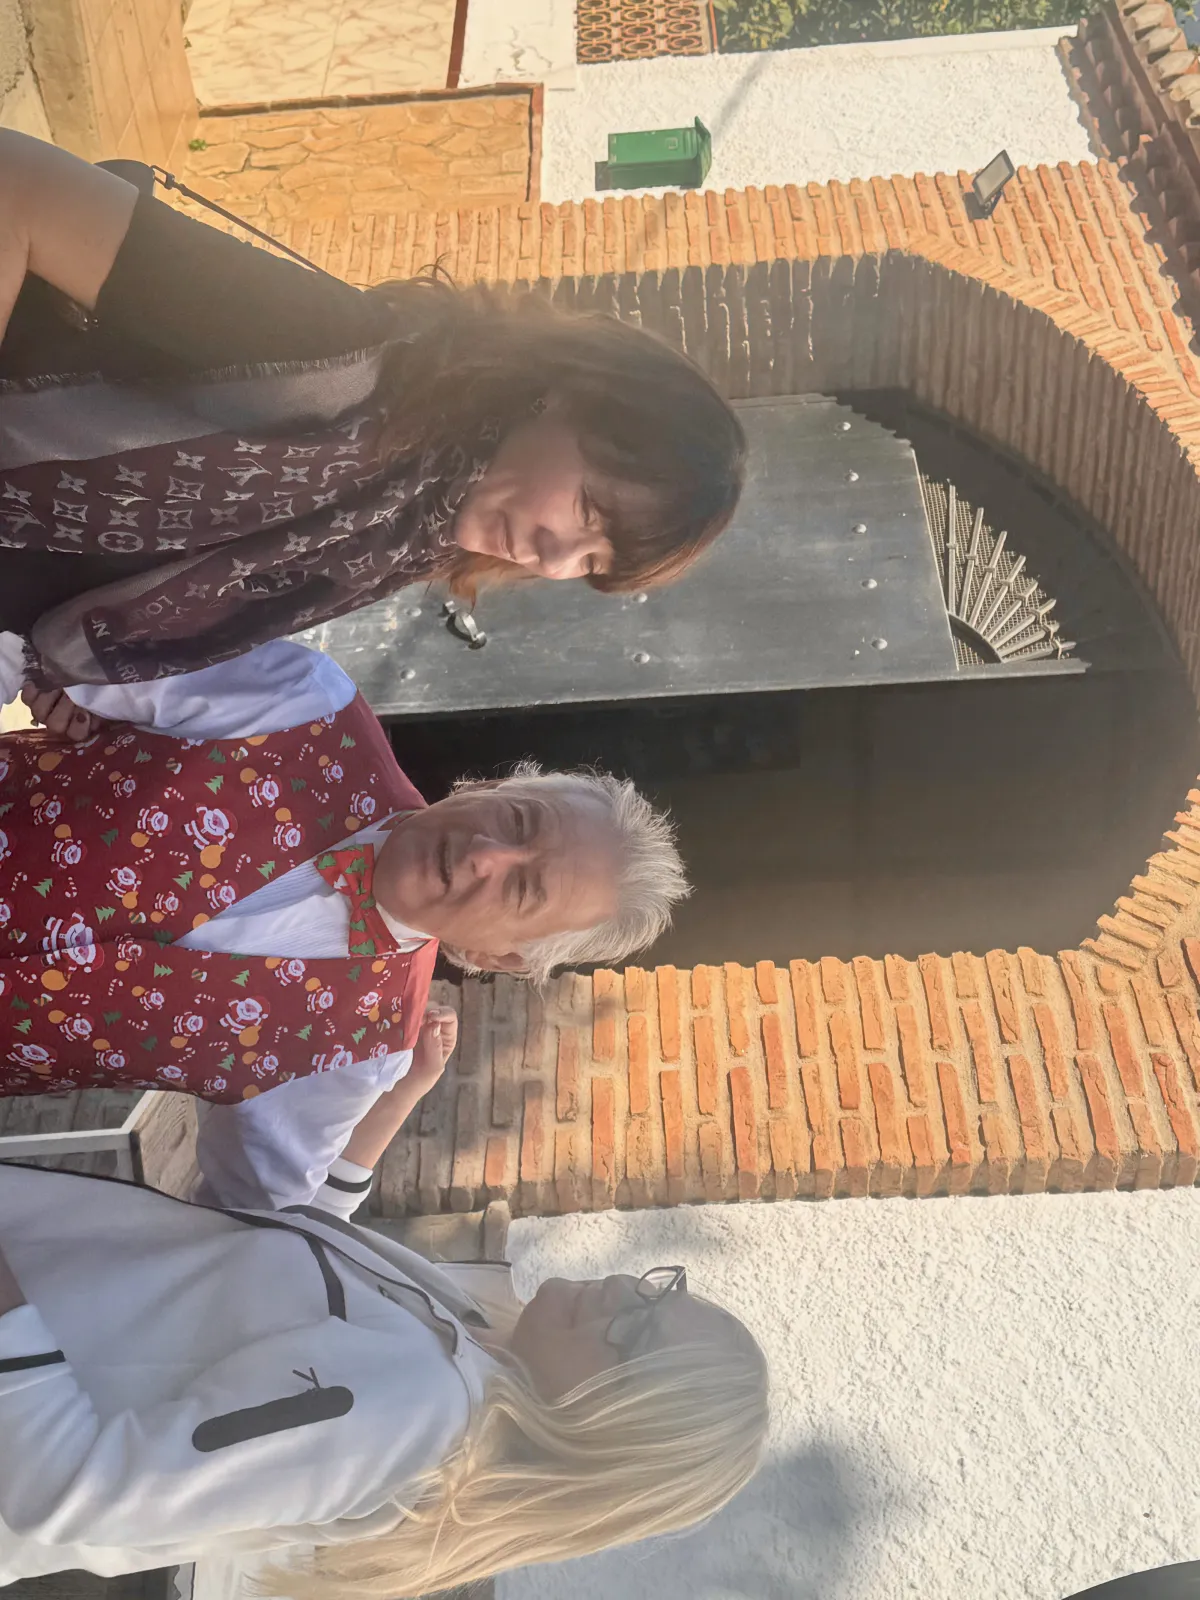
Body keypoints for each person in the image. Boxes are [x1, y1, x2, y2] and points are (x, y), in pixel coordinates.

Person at [0, 130, 745, 700]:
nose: (553, 560)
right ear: (567, 395)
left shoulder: (388, 547)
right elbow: (18, 182)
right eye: (589, 509)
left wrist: (63, 686)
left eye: (591, 565)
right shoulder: (335, 360)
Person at [0, 636, 689, 1209]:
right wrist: (62, 686)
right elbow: (52, 635)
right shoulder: (306, 705)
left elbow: (257, 1218)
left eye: (524, 888)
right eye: (517, 820)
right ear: (486, 786)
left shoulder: (361, 1049)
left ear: (503, 958)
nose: (486, 855)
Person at [0, 1160, 770, 1591]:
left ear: (611, 1427)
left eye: (638, 1332)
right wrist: (397, 1097)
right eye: (659, 1290)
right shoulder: (469, 1330)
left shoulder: (419, 1412)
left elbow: (66, 1494)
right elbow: (293, 1248)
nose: (625, 1291)